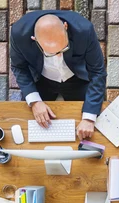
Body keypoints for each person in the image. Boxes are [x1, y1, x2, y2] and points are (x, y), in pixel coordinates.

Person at [10, 10, 106, 140]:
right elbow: (19, 67)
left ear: (65, 27)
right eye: (51, 53)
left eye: (64, 48)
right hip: (41, 81)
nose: (59, 55)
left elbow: (98, 72)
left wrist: (89, 118)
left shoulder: (84, 30)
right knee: (30, 129)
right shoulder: (18, 33)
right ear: (35, 39)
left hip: (77, 79)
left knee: (94, 130)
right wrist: (35, 101)